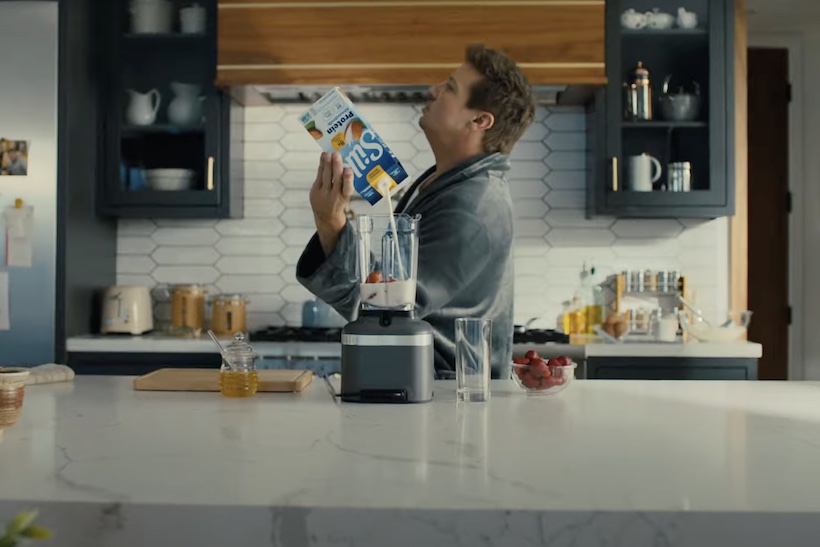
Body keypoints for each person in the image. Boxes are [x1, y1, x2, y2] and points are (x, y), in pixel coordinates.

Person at [296, 43, 536, 379]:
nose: (432, 90)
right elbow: (390, 290)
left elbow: (387, 310)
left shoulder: (472, 206)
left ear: (480, 120)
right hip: (421, 385)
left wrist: (330, 221)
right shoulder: (448, 183)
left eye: (449, 88)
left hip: (445, 397)